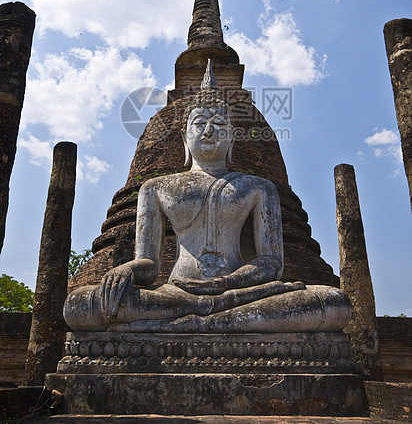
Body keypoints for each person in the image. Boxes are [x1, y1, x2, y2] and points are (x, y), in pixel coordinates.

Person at [64, 62, 351, 333]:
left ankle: (189, 324)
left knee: (332, 303)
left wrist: (228, 283)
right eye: (200, 122)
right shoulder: (154, 188)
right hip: (176, 293)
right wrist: (127, 270)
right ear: (184, 137)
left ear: (232, 138)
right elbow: (149, 265)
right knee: (80, 305)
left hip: (240, 294)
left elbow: (271, 263)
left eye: (219, 123)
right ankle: (216, 321)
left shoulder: (259, 188)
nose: (209, 130)